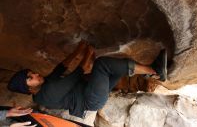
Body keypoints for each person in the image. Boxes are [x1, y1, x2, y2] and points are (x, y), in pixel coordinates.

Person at [7, 40, 166, 118]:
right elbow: (78, 73)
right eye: (30, 78)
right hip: (91, 100)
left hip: (88, 89)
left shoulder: (43, 85)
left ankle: (150, 72)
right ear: (29, 89)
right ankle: (154, 71)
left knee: (117, 68)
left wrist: (78, 50)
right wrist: (89, 52)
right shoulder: (47, 93)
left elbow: (61, 67)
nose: (34, 74)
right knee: (102, 65)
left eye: (31, 73)